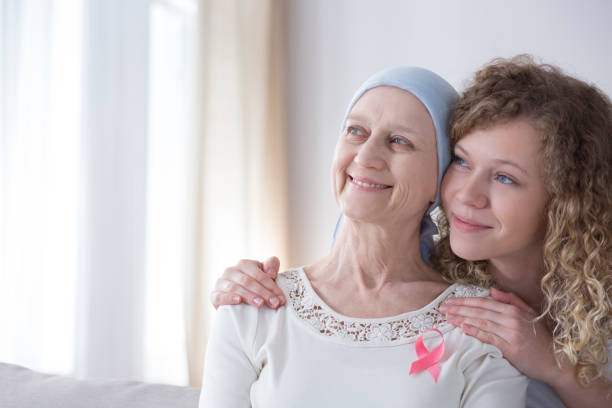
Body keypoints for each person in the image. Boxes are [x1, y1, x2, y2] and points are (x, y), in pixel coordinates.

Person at [211, 56, 612, 408]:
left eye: (505, 177)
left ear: (566, 201)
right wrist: (241, 294)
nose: (466, 196)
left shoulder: (505, 326)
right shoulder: (440, 271)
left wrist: (559, 369)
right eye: (462, 162)